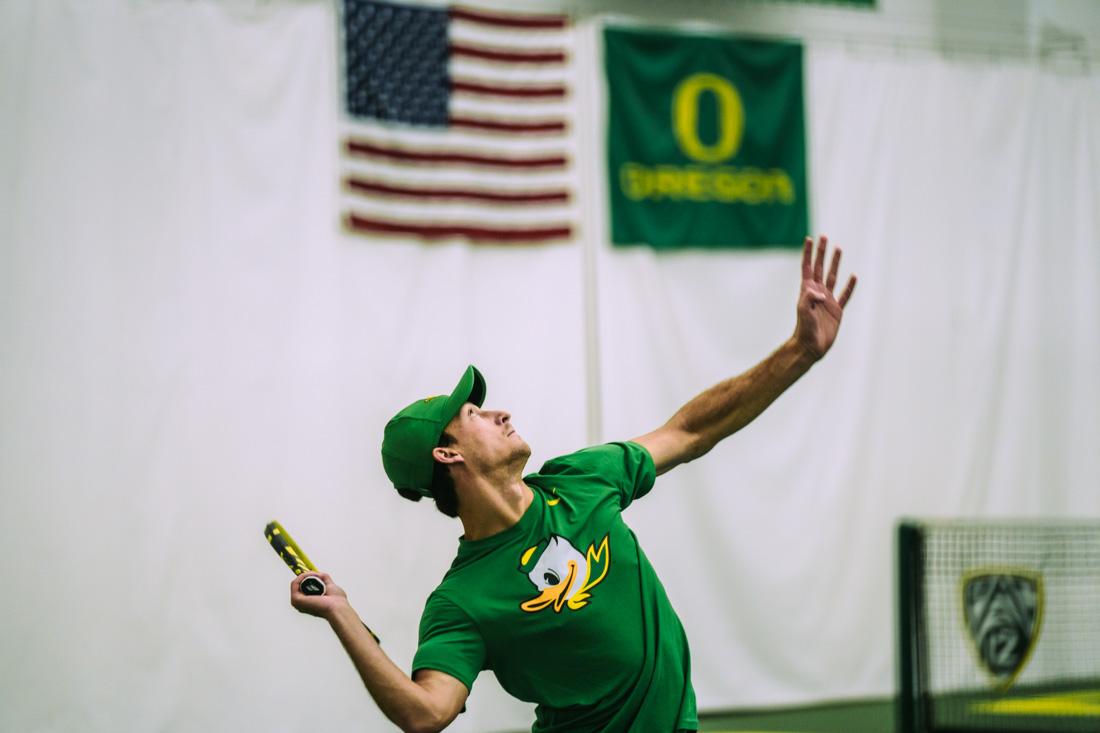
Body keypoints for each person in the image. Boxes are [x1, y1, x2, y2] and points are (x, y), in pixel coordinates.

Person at [290, 235, 857, 732]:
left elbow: (690, 430)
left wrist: (800, 351)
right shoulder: (460, 603)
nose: (499, 413)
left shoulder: (581, 479)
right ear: (446, 453)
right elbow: (425, 713)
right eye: (474, 415)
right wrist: (341, 612)